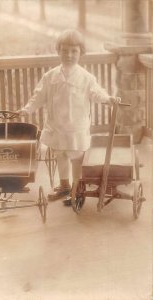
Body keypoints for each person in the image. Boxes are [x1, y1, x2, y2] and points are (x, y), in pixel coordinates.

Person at [17, 29, 119, 204]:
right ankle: (64, 186)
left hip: (76, 128)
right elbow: (39, 96)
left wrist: (108, 99)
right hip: (56, 126)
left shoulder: (86, 78)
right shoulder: (50, 76)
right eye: (64, 51)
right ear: (58, 51)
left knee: (76, 159)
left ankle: (76, 189)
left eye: (74, 51)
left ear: (81, 53)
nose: (69, 55)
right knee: (60, 156)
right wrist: (27, 109)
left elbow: (96, 93)